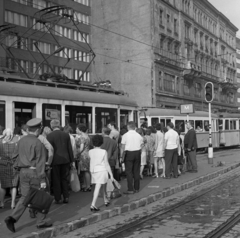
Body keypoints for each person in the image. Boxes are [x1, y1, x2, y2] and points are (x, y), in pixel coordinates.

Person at [4, 118, 52, 233]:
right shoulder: (38, 142)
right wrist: (42, 179)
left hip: (23, 172)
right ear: (38, 130)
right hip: (35, 172)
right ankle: (41, 222)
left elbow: (15, 156)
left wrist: (18, 167)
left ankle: (12, 218)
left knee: (25, 197)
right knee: (43, 196)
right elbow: (40, 162)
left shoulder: (21, 140)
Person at [47, 119, 74, 204]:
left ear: (51, 126)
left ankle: (58, 198)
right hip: (66, 160)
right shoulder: (66, 135)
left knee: (56, 180)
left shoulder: (49, 136)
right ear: (58, 125)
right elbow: (69, 149)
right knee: (64, 179)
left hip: (55, 160)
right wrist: (72, 160)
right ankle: (66, 197)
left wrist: (48, 161)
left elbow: (49, 150)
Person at [89, 135, 114, 211]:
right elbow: (106, 164)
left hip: (93, 170)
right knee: (99, 186)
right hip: (101, 170)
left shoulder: (90, 151)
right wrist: (111, 175)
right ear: (101, 143)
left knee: (100, 185)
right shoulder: (103, 152)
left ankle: (105, 200)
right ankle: (93, 204)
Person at [0, 129, 21, 209]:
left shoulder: (0, 141)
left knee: (2, 185)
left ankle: (2, 203)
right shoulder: (16, 142)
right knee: (14, 185)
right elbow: (18, 153)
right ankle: (13, 203)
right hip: (13, 164)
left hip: (2, 164)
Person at [120, 121, 143, 194]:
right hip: (137, 153)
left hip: (129, 153)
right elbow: (142, 145)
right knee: (136, 171)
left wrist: (121, 156)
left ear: (128, 127)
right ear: (134, 127)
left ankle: (130, 188)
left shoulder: (125, 135)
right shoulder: (139, 135)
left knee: (129, 171)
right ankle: (137, 188)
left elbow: (122, 147)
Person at [75, 124, 91, 192]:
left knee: (85, 171)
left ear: (80, 130)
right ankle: (87, 185)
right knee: (86, 171)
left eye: (77, 129)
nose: (76, 130)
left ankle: (87, 186)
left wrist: (77, 153)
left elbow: (81, 148)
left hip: (83, 155)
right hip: (87, 154)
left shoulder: (82, 137)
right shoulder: (87, 136)